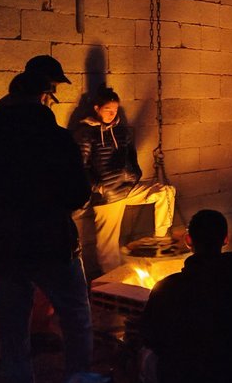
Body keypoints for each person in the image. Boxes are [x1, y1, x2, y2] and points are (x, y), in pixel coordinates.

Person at [0, 71, 93, 383]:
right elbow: (78, 193)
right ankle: (80, 378)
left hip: (5, 250)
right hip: (53, 245)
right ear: (45, 97)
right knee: (76, 318)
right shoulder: (56, 139)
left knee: (13, 328)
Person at [139, 210, 232, 383]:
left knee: (141, 356)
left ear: (188, 241)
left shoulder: (169, 287)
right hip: (231, 371)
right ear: (226, 239)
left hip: (183, 374)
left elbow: (149, 335)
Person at [73, 85, 176, 277]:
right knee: (108, 247)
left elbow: (132, 158)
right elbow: (80, 167)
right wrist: (98, 187)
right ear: (96, 108)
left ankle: (160, 239)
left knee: (164, 192)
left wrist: (133, 175)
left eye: (115, 110)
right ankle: (112, 283)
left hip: (127, 188)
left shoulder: (122, 132)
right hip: (107, 196)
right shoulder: (86, 133)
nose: (112, 114)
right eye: (107, 110)